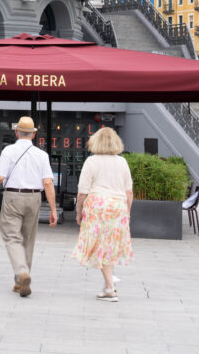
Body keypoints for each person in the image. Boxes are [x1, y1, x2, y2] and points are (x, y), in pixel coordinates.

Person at [0, 116, 57, 297]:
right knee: (28, 239)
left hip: (13, 197)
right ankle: (20, 281)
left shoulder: (9, 151)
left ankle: (22, 274)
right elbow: (48, 183)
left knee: (12, 237)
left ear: (16, 132)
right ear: (34, 135)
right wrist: (52, 209)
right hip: (34, 198)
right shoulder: (42, 155)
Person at [71, 127, 134, 302]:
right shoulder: (122, 162)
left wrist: (79, 212)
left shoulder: (91, 162)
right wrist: (127, 212)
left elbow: (82, 191)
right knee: (110, 246)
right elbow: (129, 191)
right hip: (118, 206)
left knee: (100, 246)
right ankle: (108, 285)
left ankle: (110, 288)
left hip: (97, 206)